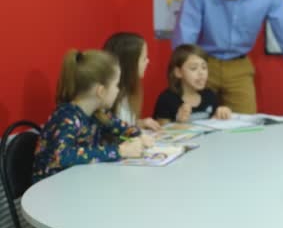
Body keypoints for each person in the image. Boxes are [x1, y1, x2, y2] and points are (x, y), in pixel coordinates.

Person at [33, 49, 153, 182]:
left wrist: (139, 136)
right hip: (53, 188)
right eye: (116, 85)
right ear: (101, 91)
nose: (118, 90)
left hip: (80, 181)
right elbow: (62, 156)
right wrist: (119, 151)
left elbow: (124, 128)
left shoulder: (98, 113)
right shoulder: (67, 117)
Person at [154, 44, 232, 124]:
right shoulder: (166, 99)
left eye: (204, 67)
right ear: (178, 72)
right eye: (193, 68)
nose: (201, 73)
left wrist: (221, 113)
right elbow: (160, 131)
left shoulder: (210, 95)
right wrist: (178, 121)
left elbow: (214, 123)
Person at [103, 32, 161, 130]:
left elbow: (123, 124)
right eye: (144, 58)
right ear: (129, 64)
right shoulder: (108, 99)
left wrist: (140, 123)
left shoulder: (128, 92)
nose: (148, 61)